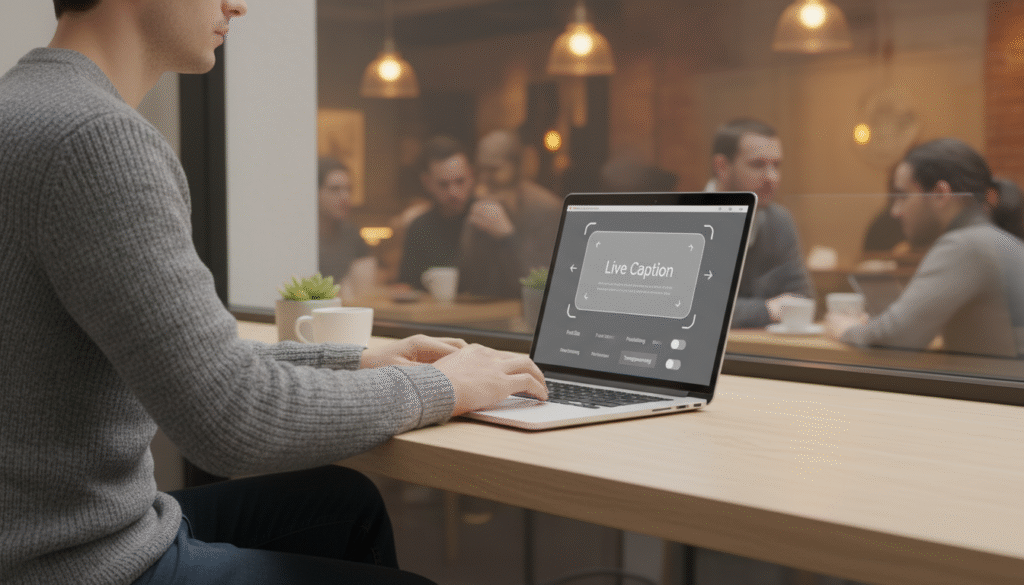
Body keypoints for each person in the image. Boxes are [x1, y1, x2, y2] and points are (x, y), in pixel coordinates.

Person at [0, 2, 547, 584]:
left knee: (344, 504)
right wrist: (445, 387)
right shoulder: (97, 140)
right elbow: (230, 416)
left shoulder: (22, 107)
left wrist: (359, 361)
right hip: (80, 564)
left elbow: (191, 363)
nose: (237, 4)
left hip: (43, 537)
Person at [829, 138, 1024, 357]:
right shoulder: (991, 240)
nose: (895, 211)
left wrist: (846, 328)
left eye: (903, 196)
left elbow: (896, 336)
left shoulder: (966, 245)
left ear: (940, 194)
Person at [706, 118, 815, 328]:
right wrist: (768, 309)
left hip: (761, 346)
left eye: (776, 165)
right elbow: (697, 309)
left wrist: (745, 311)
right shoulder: (687, 220)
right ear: (722, 166)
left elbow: (803, 301)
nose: (772, 177)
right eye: (758, 165)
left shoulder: (779, 220)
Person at [458, 129, 561, 298]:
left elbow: (540, 284)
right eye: (481, 170)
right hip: (485, 309)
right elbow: (468, 279)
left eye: (494, 169)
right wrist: (473, 231)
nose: (484, 178)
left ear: (516, 167)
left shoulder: (545, 208)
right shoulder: (481, 204)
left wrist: (507, 236)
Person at [396, 135, 475, 290]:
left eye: (460, 181)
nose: (453, 192)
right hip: (431, 306)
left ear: (471, 175)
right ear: (427, 183)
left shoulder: (487, 220)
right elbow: (406, 284)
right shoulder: (419, 228)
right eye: (443, 184)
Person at [317, 157, 375, 298]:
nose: (345, 196)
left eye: (348, 189)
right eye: (335, 189)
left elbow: (364, 290)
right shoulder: (303, 237)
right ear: (315, 192)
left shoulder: (351, 234)